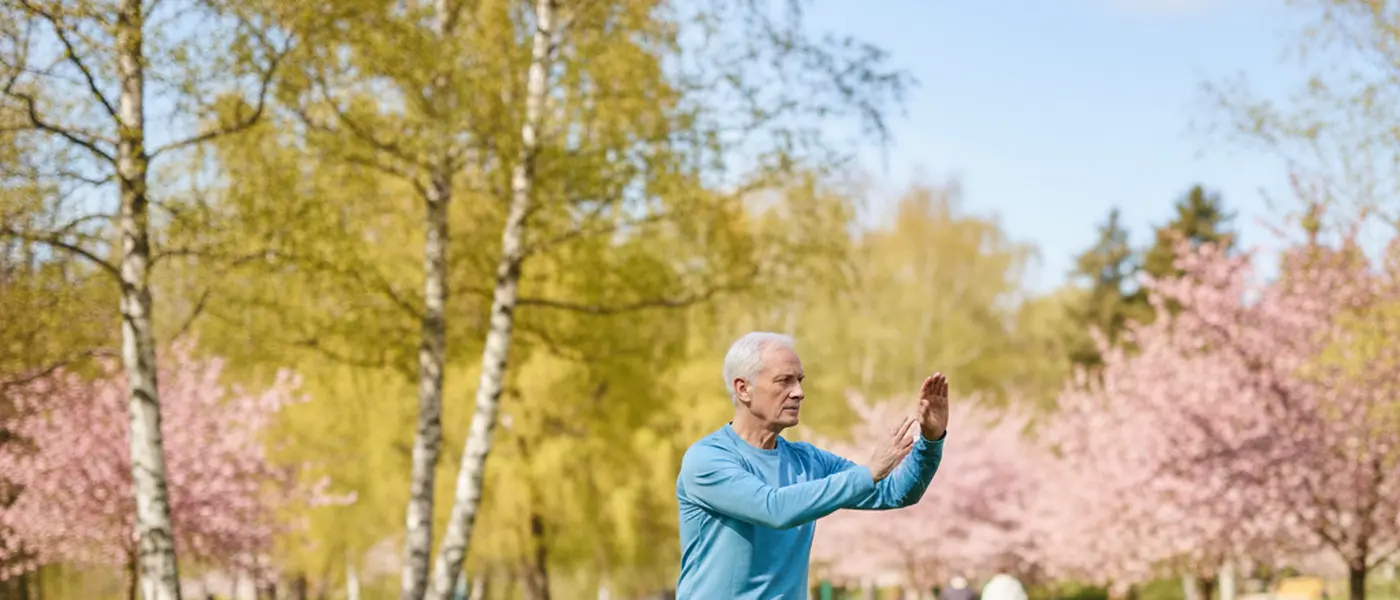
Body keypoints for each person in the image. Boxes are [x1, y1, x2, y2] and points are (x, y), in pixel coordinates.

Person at [674, 332, 950, 599]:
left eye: (799, 380)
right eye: (784, 381)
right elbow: (774, 509)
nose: (799, 392)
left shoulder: (808, 460)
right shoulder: (707, 459)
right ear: (743, 389)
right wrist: (869, 472)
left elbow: (897, 492)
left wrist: (931, 439)